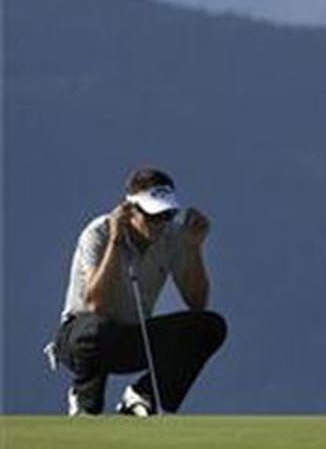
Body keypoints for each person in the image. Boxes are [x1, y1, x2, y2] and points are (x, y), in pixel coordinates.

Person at [48, 167, 227, 415]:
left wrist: (193, 248)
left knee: (210, 326)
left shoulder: (173, 237)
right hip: (80, 341)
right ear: (129, 209)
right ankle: (84, 400)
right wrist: (115, 242)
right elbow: (96, 305)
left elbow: (197, 303)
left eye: (167, 214)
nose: (159, 224)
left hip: (132, 335)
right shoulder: (98, 233)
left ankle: (142, 397)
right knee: (97, 328)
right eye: (152, 216)